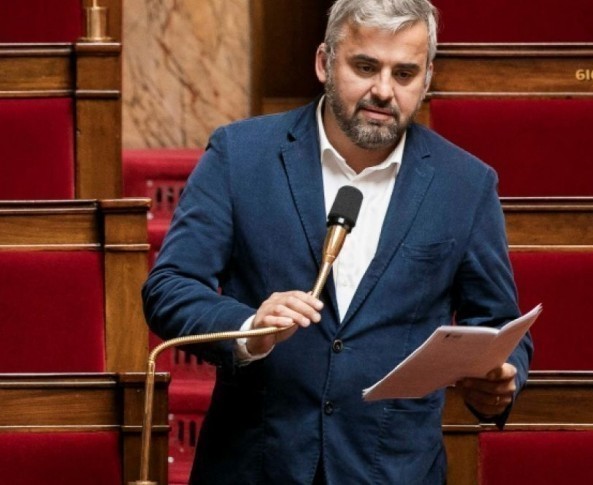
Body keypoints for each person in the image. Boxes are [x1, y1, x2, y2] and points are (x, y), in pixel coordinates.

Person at [142, 0, 533, 483]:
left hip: (393, 470)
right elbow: (169, 286)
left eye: (405, 73)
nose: (383, 91)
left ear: (427, 78)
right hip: (256, 465)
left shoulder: (466, 185)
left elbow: (498, 323)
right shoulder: (240, 155)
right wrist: (249, 327)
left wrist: (499, 377)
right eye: (365, 66)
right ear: (325, 62)